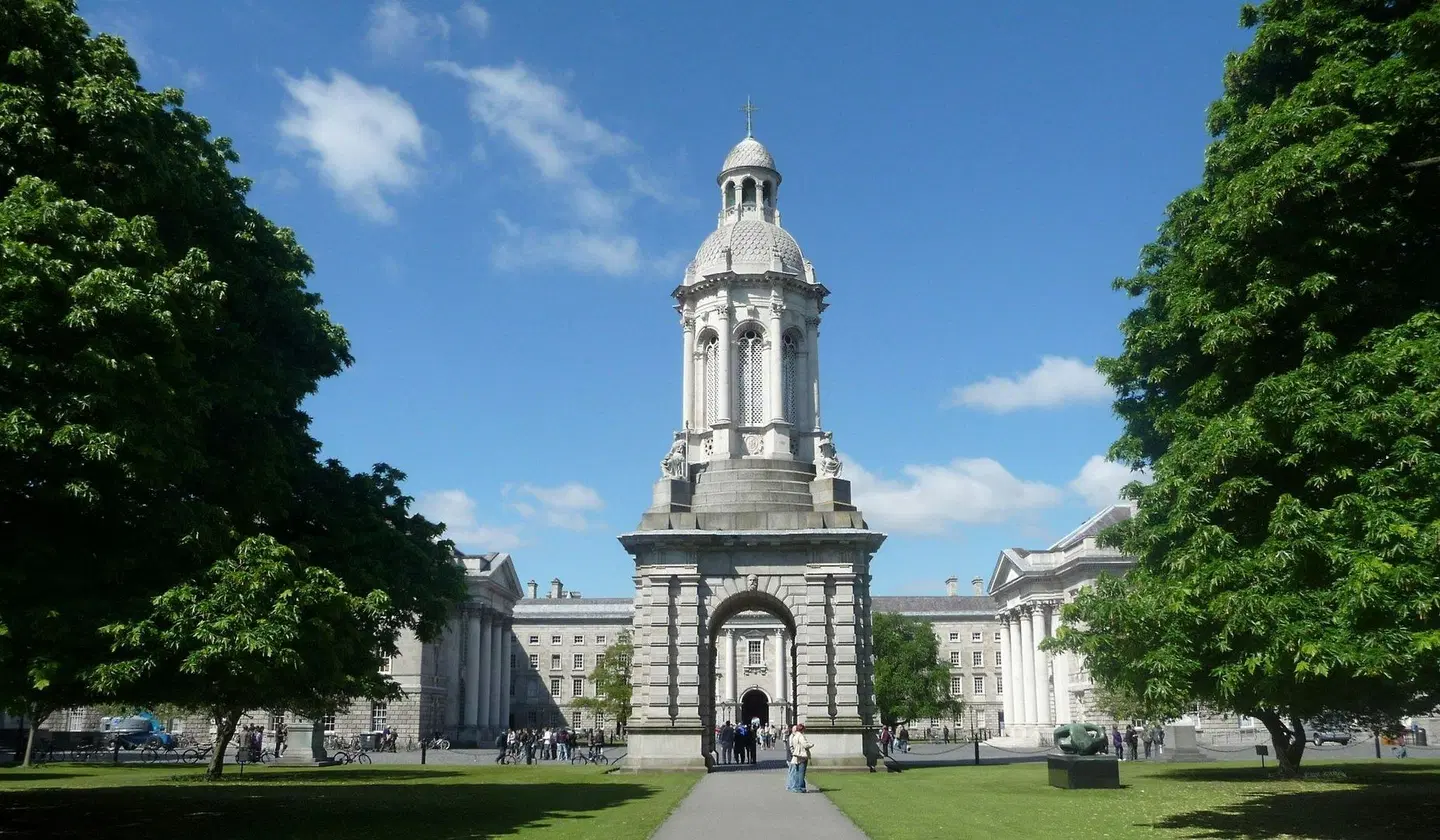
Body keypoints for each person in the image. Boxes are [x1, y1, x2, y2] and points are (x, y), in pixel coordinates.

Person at [786, 724, 814, 793]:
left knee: (798, 772)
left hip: (797, 755)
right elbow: (805, 744)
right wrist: (811, 745)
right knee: (802, 773)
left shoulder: (795, 736)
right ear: (802, 729)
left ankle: (798, 786)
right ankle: (801, 787)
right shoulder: (801, 736)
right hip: (802, 755)